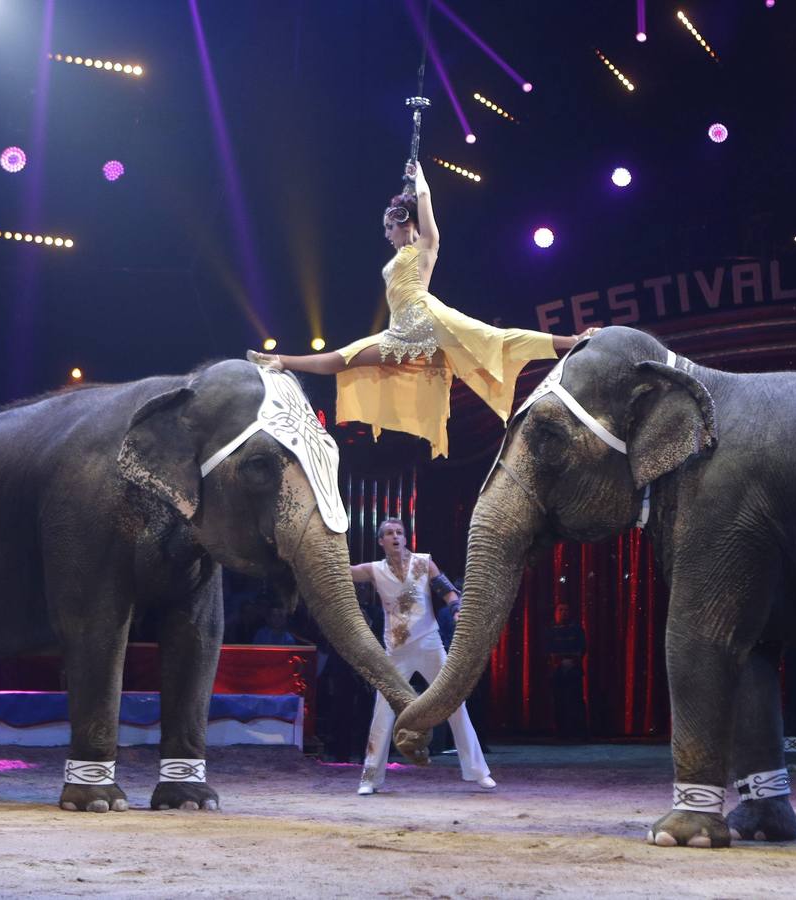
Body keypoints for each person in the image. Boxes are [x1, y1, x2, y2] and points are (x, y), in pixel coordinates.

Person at [251, 161, 597, 458]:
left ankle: (573, 340)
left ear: (405, 222)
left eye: (390, 227)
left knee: (496, 338)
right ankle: (282, 362)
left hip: (428, 318)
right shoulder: (400, 254)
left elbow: (426, 200)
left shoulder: (426, 245)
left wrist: (418, 179)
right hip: (401, 333)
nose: (386, 234)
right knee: (345, 358)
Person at [350, 518, 495, 794]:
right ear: (381, 541)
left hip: (429, 644)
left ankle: (478, 771)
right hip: (395, 651)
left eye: (399, 532)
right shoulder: (375, 569)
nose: (395, 537)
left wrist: (456, 609)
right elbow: (345, 572)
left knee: (454, 703)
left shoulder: (423, 562)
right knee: (382, 711)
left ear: (406, 538)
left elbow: (447, 590)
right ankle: (370, 778)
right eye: (390, 534)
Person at [547, 602, 588, 741]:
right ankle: (561, 732)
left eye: (566, 610)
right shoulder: (551, 630)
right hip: (557, 671)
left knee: (575, 701)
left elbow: (582, 647)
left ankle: (577, 732)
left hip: (573, 670)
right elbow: (547, 648)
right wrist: (558, 662)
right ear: (556, 612)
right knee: (559, 701)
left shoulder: (576, 629)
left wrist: (572, 661)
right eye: (561, 610)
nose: (563, 612)